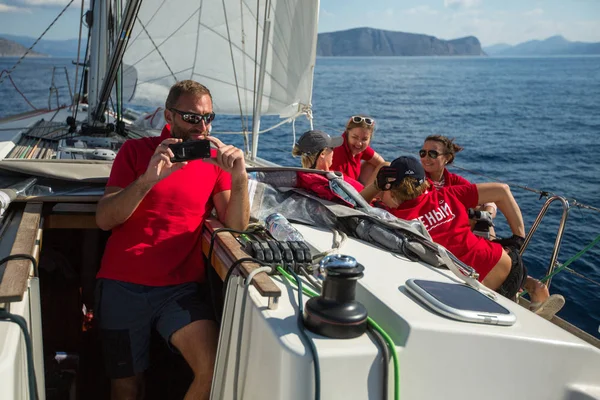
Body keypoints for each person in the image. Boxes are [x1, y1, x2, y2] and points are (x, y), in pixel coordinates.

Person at [95, 80, 249, 400]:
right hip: (122, 285)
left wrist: (240, 176)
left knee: (214, 368)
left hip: (178, 290)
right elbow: (105, 218)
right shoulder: (136, 152)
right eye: (192, 117)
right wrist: (149, 179)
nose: (202, 126)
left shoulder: (213, 163)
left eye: (208, 117)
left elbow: (236, 226)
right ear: (170, 115)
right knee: (126, 386)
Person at [361, 156, 565, 319]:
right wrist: (519, 238)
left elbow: (352, 206)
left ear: (391, 191)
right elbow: (502, 191)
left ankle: (530, 295)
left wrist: (374, 187)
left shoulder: (397, 219)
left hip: (472, 284)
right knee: (494, 248)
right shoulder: (446, 194)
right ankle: (534, 289)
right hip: (503, 263)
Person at [420, 134, 497, 238]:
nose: (426, 158)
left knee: (482, 213)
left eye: (432, 154)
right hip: (427, 230)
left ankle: (490, 248)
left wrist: (488, 215)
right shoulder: (417, 177)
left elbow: (487, 199)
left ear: (447, 158)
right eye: (423, 153)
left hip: (449, 230)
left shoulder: (454, 181)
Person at [292, 129, 364, 192]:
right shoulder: (334, 184)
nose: (334, 151)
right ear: (322, 154)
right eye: (332, 148)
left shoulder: (299, 179)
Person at [331, 115, 385, 185]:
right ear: (347, 133)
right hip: (342, 190)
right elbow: (339, 184)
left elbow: (381, 163)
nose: (359, 143)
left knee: (373, 166)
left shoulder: (360, 148)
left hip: (354, 186)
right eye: (355, 137)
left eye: (364, 139)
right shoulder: (339, 150)